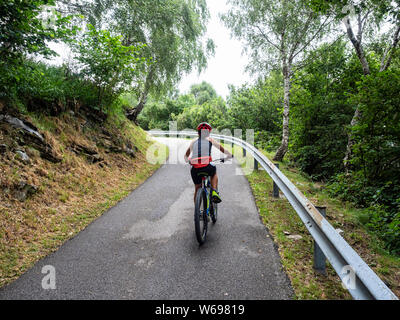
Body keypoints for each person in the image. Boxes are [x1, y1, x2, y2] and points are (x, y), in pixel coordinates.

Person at [184, 122, 233, 204]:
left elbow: (186, 156)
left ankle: (197, 212)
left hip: (195, 169)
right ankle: (214, 191)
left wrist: (188, 160)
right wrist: (230, 155)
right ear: (208, 132)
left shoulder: (193, 141)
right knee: (213, 172)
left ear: (198, 133)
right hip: (207, 166)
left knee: (197, 187)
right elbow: (222, 149)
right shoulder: (210, 140)